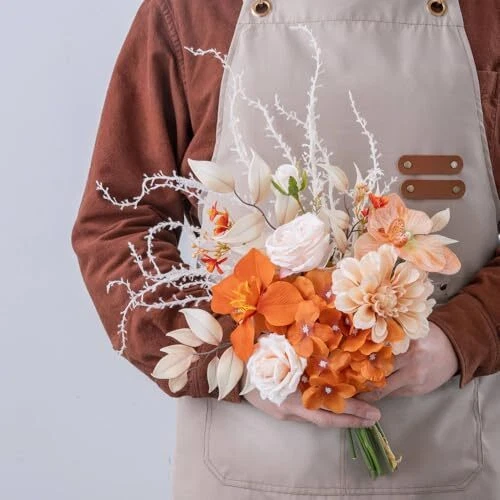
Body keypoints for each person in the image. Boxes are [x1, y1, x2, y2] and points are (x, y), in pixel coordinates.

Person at [72, 0, 500, 498]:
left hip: (450, 448)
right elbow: (115, 223)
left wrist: (462, 336)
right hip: (244, 459)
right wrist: (233, 362)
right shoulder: (192, 11)